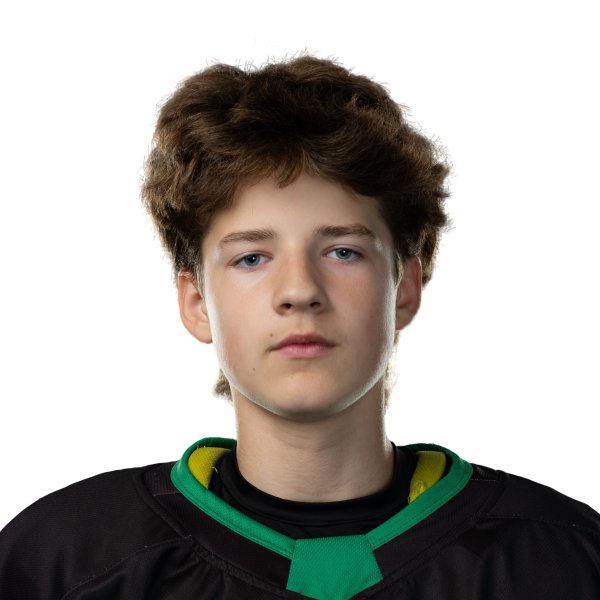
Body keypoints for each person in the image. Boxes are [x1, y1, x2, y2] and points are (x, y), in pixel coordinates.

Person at [1, 56, 598, 600]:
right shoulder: (62, 561)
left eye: (342, 251)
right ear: (196, 302)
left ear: (405, 288)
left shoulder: (564, 559)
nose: (299, 290)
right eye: (251, 258)